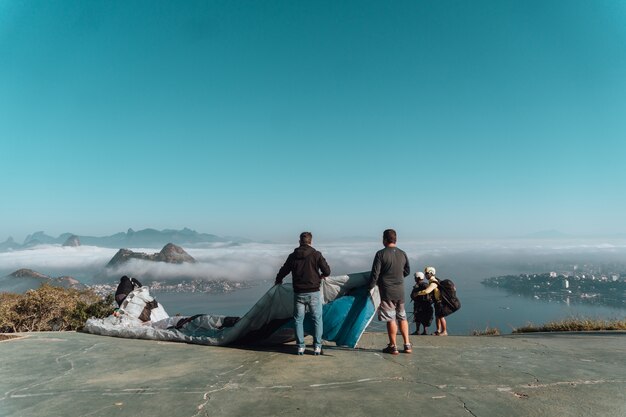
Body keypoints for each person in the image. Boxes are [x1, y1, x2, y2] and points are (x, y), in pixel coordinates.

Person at [275, 232, 331, 355]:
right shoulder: (316, 255)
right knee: (317, 319)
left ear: (299, 241)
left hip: (299, 293)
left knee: (298, 320)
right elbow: (327, 270)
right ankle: (317, 346)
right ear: (311, 241)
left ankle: (300, 346)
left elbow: (284, 270)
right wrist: (322, 276)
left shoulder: (293, 256)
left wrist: (278, 280)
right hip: (314, 292)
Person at [368, 229, 412, 354]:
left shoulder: (380, 254)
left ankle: (393, 346)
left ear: (385, 239)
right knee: (402, 317)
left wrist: (369, 288)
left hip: (387, 291)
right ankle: (407, 345)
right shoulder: (402, 253)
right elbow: (407, 271)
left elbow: (375, 274)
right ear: (395, 239)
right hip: (400, 291)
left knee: (391, 319)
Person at [416, 266, 448, 335]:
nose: (425, 275)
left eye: (427, 273)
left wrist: (417, 293)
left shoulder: (434, 282)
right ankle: (438, 330)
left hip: (439, 302)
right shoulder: (431, 281)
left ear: (431, 273)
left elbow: (427, 291)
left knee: (441, 316)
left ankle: (444, 331)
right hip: (437, 302)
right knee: (437, 316)